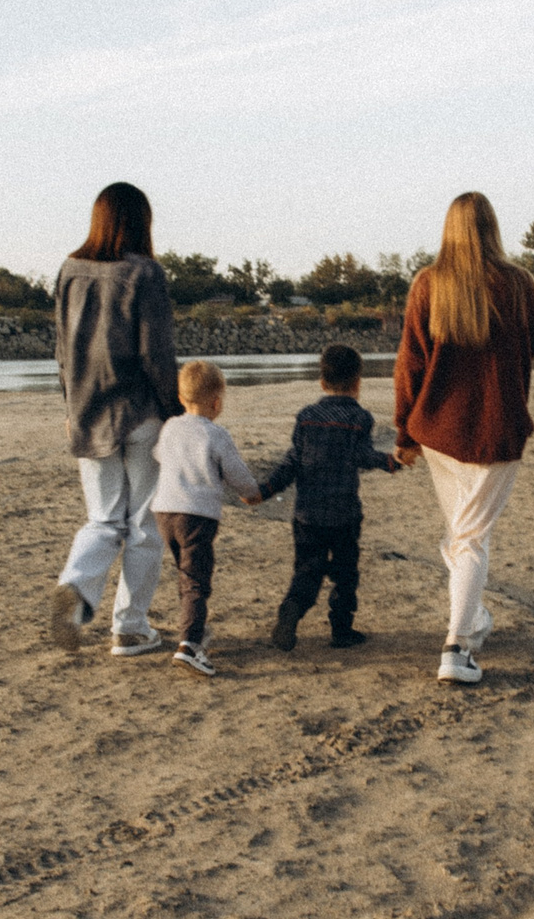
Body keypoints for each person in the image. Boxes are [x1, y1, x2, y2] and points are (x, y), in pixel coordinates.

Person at [391, 191, 534, 685]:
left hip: (440, 429)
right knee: (471, 536)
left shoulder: (428, 284)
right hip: (497, 430)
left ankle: (471, 619)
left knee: (461, 534)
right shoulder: (519, 284)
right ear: (492, 227)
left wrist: (404, 432)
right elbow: (531, 349)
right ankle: (457, 647)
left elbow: (409, 365)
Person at [49, 182, 181, 657]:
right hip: (141, 410)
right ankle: (129, 626)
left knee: (103, 519)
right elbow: (157, 352)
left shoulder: (69, 269)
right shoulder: (145, 272)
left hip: (87, 410)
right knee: (144, 525)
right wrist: (175, 410)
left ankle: (77, 590)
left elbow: (62, 350)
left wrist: (69, 407)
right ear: (139, 220)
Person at [256, 343, 399, 652]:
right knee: (346, 573)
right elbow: (363, 455)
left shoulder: (306, 417)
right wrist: (391, 462)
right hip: (344, 513)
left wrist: (266, 489)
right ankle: (341, 630)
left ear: (322, 381)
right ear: (358, 383)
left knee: (307, 568)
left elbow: (292, 461)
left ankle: (292, 608)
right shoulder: (359, 419)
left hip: (307, 514)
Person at [149, 360, 264, 677]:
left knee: (187, 575)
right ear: (216, 402)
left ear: (182, 399)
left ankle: (193, 630)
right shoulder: (216, 434)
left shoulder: (170, 427)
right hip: (196, 515)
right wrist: (251, 493)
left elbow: (158, 455)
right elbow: (236, 473)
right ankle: (189, 645)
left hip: (164, 512)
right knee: (197, 581)